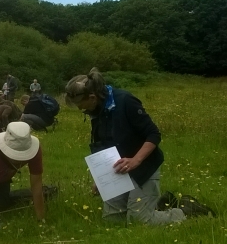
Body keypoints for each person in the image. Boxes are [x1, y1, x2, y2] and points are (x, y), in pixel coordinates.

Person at [65, 68, 194, 226]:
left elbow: (153, 134)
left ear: (92, 97)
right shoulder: (96, 110)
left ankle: (185, 211)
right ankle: (157, 205)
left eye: (81, 105)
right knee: (112, 220)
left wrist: (135, 161)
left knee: (138, 221)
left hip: (143, 167)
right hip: (118, 171)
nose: (80, 109)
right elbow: (103, 145)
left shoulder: (125, 101)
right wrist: (101, 179)